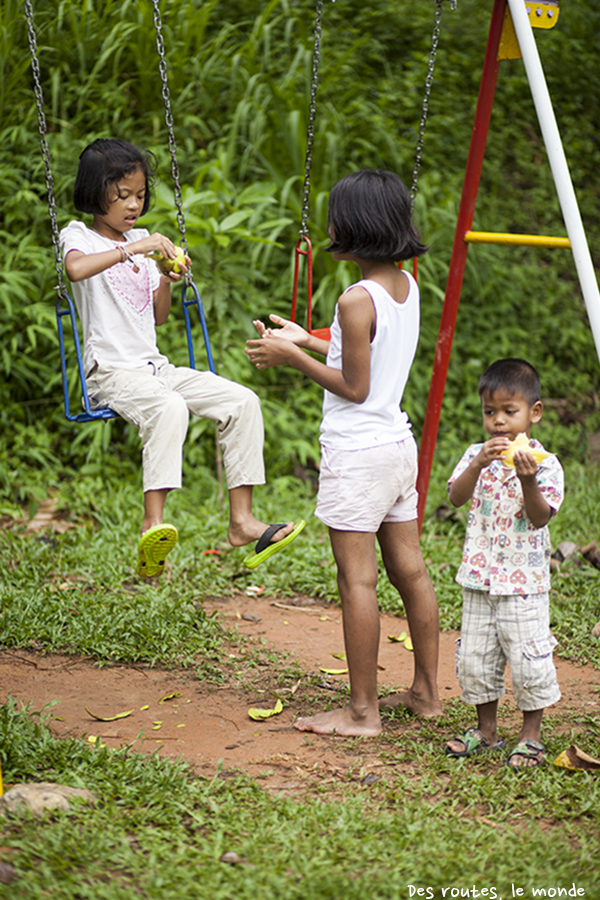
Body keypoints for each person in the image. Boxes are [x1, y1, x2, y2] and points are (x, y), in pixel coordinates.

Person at [245, 169, 443, 736]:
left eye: (335, 214)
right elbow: (369, 355)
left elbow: (353, 387)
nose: (328, 224)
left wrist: (290, 358)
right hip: (397, 448)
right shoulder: (404, 286)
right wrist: (307, 337)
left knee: (357, 580)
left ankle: (362, 712)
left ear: (355, 226)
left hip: (357, 454)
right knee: (411, 571)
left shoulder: (355, 298)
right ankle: (427, 693)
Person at [59, 138, 304, 577]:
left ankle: (242, 522)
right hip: (111, 373)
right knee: (169, 408)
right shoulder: (78, 235)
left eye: (139, 196)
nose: (134, 206)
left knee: (242, 401)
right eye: (122, 197)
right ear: (96, 195)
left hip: (155, 368)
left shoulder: (141, 241)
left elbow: (159, 315)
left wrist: (166, 274)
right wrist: (135, 249)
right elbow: (75, 269)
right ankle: (153, 524)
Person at [445, 358, 564, 770]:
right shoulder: (473, 456)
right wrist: (478, 463)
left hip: (524, 584)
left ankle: (531, 735)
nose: (498, 422)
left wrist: (527, 478)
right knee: (476, 658)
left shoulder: (545, 463)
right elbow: (455, 498)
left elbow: (540, 516)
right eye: (489, 412)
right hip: (478, 577)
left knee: (528, 659)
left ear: (534, 413)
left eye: (508, 412)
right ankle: (487, 729)